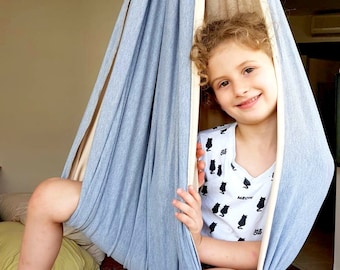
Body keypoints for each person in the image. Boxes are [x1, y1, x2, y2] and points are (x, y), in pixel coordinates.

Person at [173, 12, 277, 270]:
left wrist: (199, 244)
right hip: (193, 259)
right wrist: (188, 189)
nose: (240, 89)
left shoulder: (300, 158)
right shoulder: (203, 147)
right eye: (224, 83)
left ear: (279, 67)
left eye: (248, 69)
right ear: (214, 96)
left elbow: (263, 254)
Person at [17, 143, 205, 270]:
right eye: (223, 83)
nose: (236, 91)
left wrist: (195, 236)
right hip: (147, 226)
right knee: (49, 195)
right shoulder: (201, 142)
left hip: (183, 246)